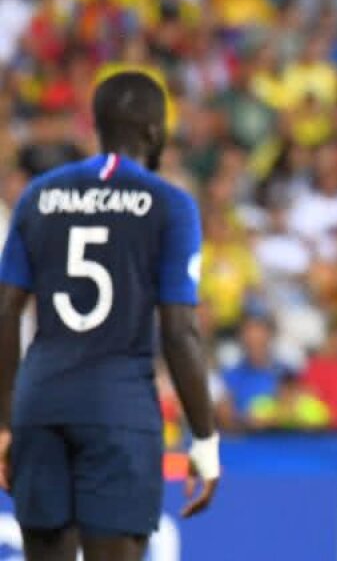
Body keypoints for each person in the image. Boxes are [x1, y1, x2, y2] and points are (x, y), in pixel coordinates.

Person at [0, 71, 220, 561]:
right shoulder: (170, 206)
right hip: (118, 409)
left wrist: (4, 422)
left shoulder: (39, 195)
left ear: (97, 126)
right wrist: (204, 437)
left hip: (41, 404)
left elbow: (5, 310)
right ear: (155, 132)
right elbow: (179, 332)